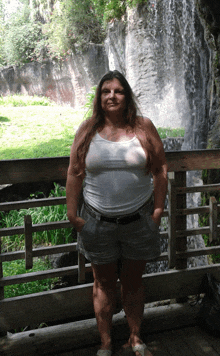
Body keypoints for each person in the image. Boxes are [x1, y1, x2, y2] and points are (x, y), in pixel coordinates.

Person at [66, 70, 168, 356]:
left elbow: (160, 169)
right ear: (99, 97)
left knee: (134, 282)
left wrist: (158, 210)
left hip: (138, 220)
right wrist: (73, 215)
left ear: (127, 96)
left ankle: (135, 337)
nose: (112, 96)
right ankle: (106, 342)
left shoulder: (143, 127)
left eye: (118, 91)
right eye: (106, 91)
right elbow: (74, 173)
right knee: (103, 283)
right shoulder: (87, 129)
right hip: (97, 222)